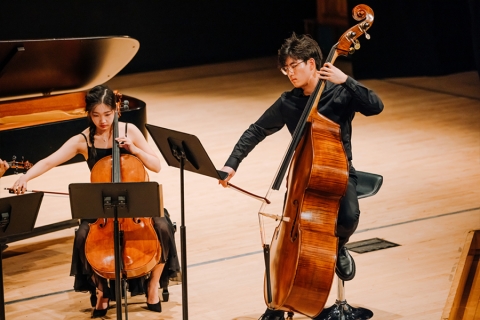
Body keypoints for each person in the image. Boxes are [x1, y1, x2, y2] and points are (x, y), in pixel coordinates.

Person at [218, 33, 384, 320]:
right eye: (286, 68)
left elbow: (375, 106)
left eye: (294, 66)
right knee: (286, 244)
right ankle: (277, 303)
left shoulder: (340, 93)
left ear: (312, 63)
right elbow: (256, 130)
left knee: (347, 217)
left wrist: (347, 80)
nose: (290, 73)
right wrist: (232, 164)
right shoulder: (288, 102)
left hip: (339, 171)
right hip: (301, 178)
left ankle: (339, 247)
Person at [11, 85, 180, 318]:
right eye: (96, 115)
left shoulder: (130, 131)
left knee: (162, 227)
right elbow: (50, 161)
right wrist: (25, 177)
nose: (103, 120)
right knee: (82, 236)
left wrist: (134, 150)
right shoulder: (83, 140)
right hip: (103, 207)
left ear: (116, 110)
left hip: (136, 203)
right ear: (88, 113)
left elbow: (156, 166)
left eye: (108, 114)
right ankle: (102, 291)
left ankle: (153, 286)